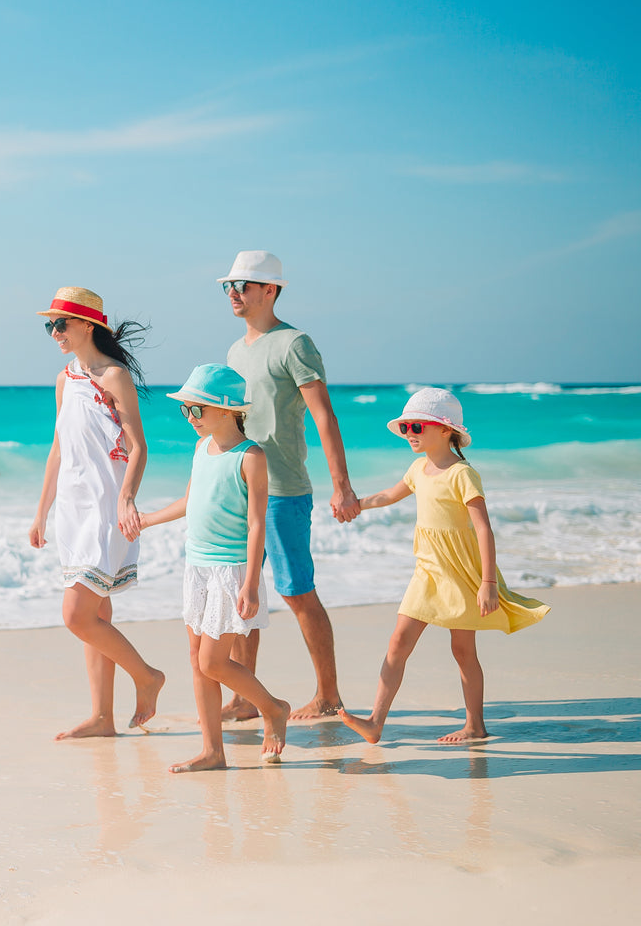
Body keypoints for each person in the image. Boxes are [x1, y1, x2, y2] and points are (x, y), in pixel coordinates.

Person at [339, 388, 549, 744]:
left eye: (416, 427)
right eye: (406, 428)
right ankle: (375, 722)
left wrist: (488, 582)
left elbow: (483, 527)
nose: (409, 435)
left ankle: (474, 726)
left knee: (463, 650)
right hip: (427, 571)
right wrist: (356, 504)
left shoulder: (462, 474)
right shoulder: (418, 468)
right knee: (397, 642)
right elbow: (389, 495)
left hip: (461, 573)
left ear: (444, 430)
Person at [218, 250, 358, 722]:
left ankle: (328, 695)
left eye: (243, 285)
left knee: (297, 592)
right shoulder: (235, 351)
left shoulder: (295, 343)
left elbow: (324, 415)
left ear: (270, 290)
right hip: (241, 488)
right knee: (242, 591)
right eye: (229, 286)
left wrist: (342, 485)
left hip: (284, 490)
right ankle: (243, 696)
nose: (233, 293)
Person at [29, 286, 165, 740]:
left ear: (88, 325)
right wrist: (41, 512)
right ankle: (103, 718)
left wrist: (127, 498)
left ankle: (147, 676)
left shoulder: (114, 376)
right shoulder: (65, 378)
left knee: (77, 616)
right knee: (97, 616)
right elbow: (57, 449)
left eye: (60, 324)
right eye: (50, 325)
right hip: (71, 507)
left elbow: (138, 447)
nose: (54, 333)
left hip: (105, 509)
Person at [140, 364, 290, 772]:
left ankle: (273, 708)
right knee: (196, 658)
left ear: (226, 410)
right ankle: (213, 752)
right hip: (197, 567)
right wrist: (148, 518)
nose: (189, 418)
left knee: (213, 662)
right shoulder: (200, 449)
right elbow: (190, 502)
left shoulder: (251, 456)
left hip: (231, 570)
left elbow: (258, 522)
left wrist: (252, 583)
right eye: (186, 410)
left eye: (196, 410)